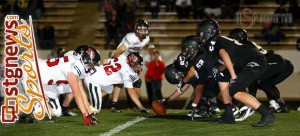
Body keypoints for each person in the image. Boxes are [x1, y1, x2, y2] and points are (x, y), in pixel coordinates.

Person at [195, 20, 275, 127]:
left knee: (234, 90)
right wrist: (220, 70)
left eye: (201, 33)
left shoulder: (213, 41)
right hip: (244, 62)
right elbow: (228, 58)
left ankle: (266, 114)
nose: (200, 36)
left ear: (208, 31)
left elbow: (224, 55)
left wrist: (233, 75)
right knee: (221, 78)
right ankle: (228, 116)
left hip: (255, 61)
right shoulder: (217, 41)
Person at [21, 45, 101, 126]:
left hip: (46, 82)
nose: (92, 66)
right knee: (36, 106)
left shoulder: (75, 61)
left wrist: (90, 114)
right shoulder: (74, 67)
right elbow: (77, 95)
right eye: (92, 63)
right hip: (33, 74)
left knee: (57, 111)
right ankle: (12, 108)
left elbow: (81, 91)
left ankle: (29, 111)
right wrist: (85, 114)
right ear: (86, 59)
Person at [228, 28, 294, 121]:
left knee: (256, 79)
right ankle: (278, 105)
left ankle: (252, 105)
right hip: (272, 61)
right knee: (264, 83)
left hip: (273, 61)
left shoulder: (244, 46)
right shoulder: (246, 44)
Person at [159, 35, 217, 120]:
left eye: (185, 50)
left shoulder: (201, 55)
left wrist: (193, 106)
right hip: (206, 79)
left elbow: (192, 75)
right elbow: (185, 85)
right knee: (198, 85)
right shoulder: (184, 61)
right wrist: (168, 99)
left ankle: (222, 106)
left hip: (217, 77)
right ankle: (205, 109)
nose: (184, 53)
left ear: (193, 48)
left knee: (209, 88)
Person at [110, 20, 150, 112]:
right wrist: (117, 62)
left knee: (137, 81)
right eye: (140, 30)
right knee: (119, 82)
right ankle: (114, 104)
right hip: (122, 56)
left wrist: (137, 62)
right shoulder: (131, 37)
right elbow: (119, 51)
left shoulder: (147, 39)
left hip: (132, 58)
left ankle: (137, 104)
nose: (142, 32)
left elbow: (136, 51)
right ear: (136, 30)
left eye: (144, 30)